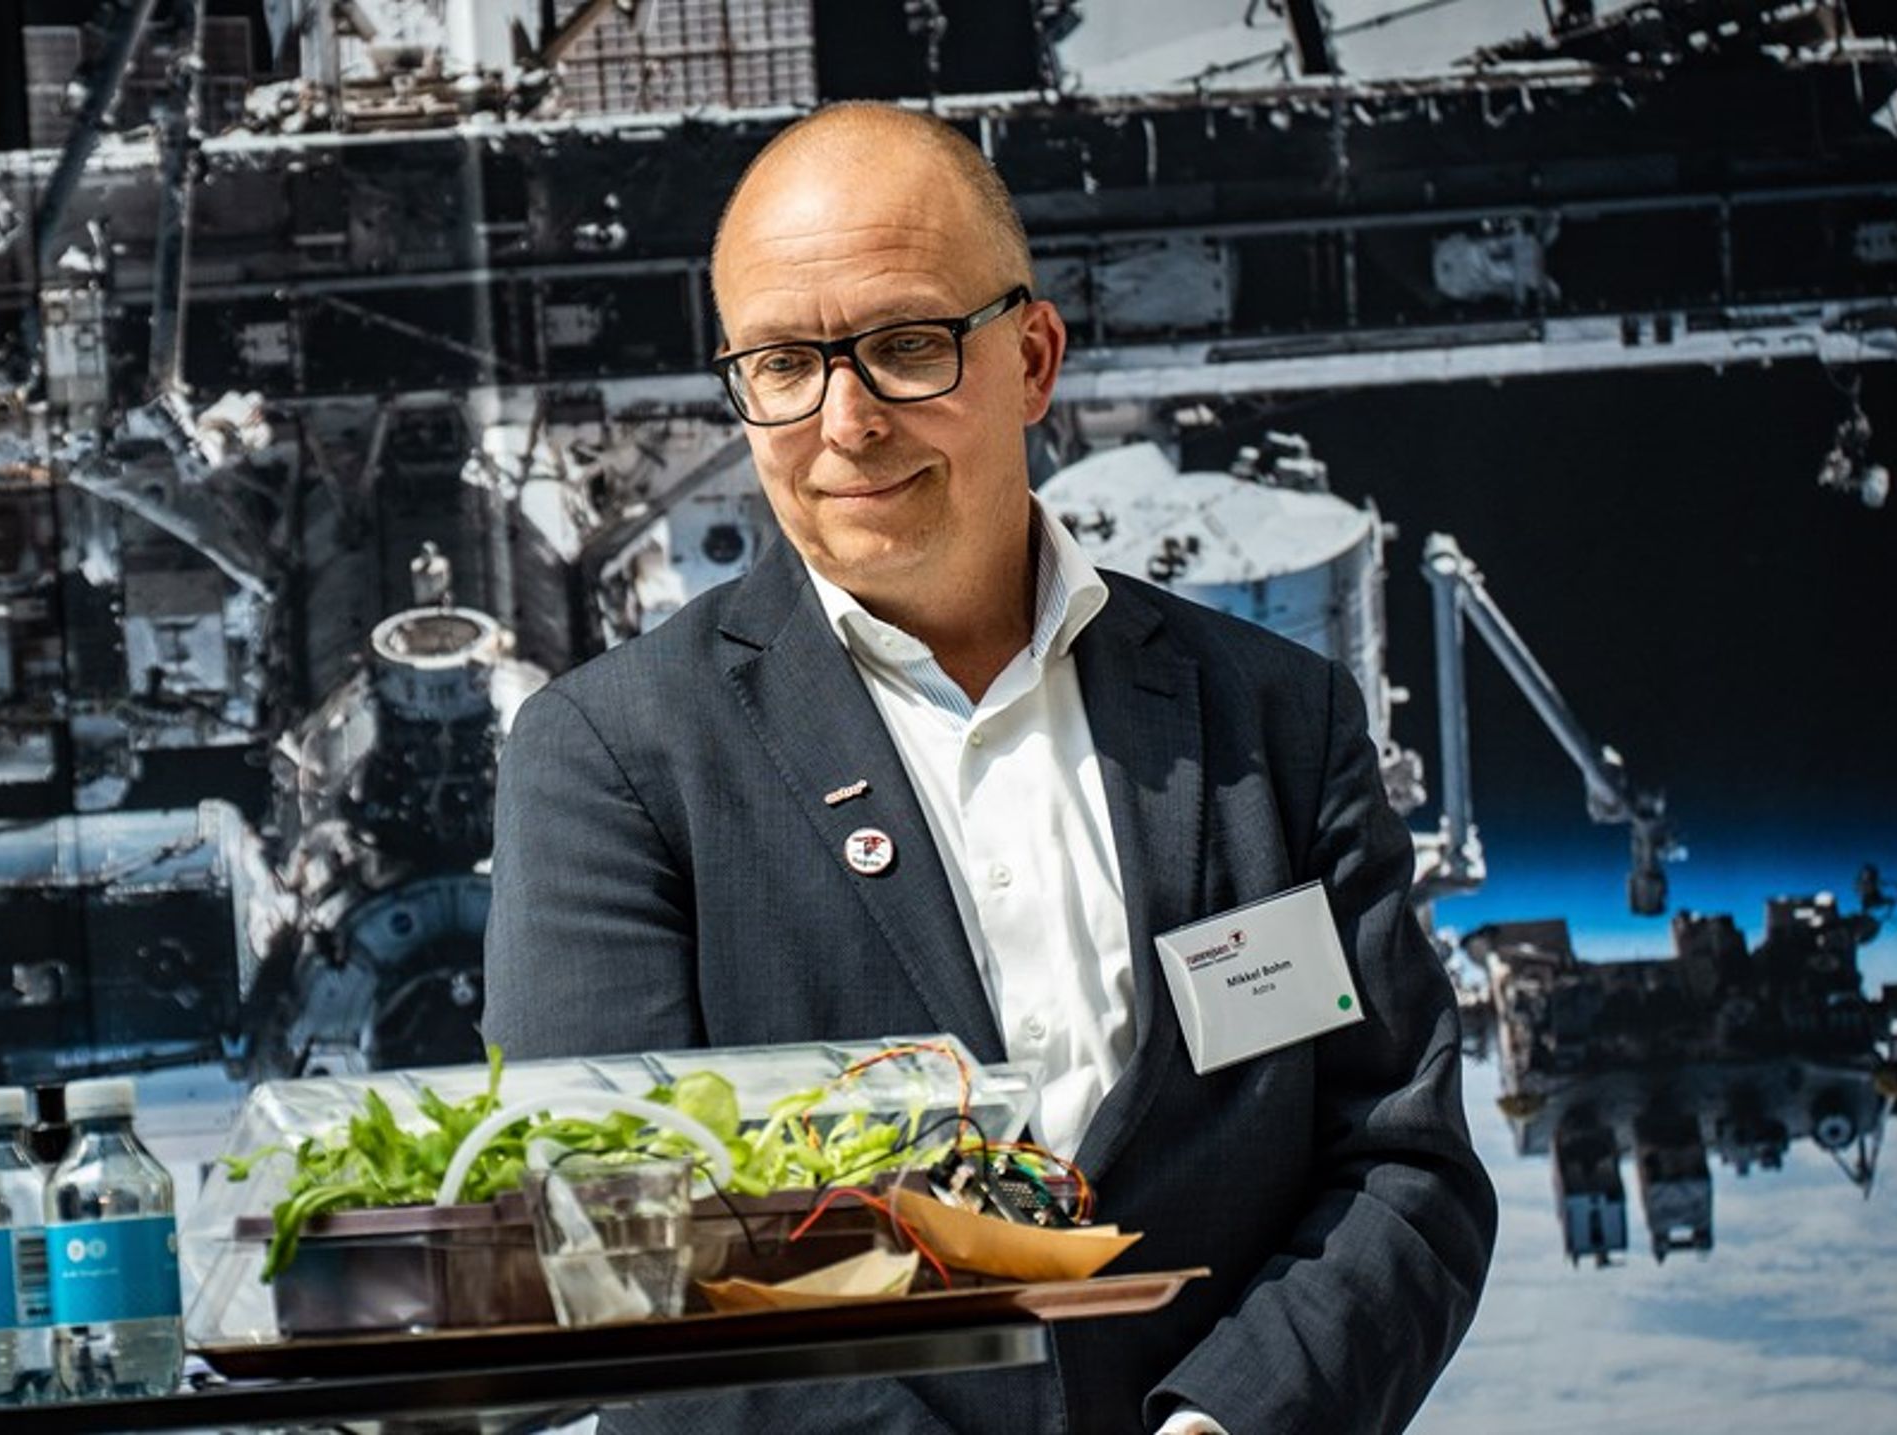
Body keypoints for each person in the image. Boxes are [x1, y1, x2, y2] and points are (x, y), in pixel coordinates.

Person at [481, 103, 1495, 1435]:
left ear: (1032, 358)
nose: (843, 423)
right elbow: (628, 1263)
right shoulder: (612, 762)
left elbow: (1401, 1172)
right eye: (783, 364)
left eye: (904, 348)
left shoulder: (1277, 720)